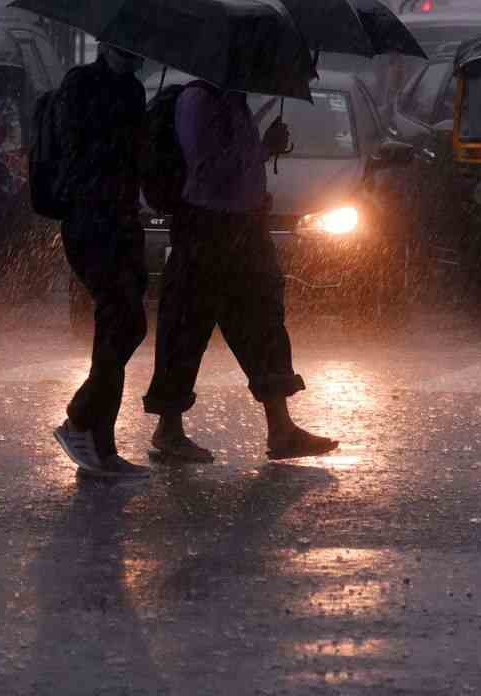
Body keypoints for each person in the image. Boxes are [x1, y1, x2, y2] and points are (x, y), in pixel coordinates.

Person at [143, 82, 338, 464]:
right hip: (208, 229)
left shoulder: (235, 101)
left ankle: (281, 429)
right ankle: (168, 429)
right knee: (186, 327)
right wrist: (262, 149)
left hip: (245, 228)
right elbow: (209, 168)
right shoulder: (198, 101)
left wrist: (265, 150)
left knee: (263, 324)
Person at [49, 44, 152, 478]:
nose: (134, 57)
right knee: (123, 319)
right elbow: (80, 149)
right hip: (90, 219)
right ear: (107, 46)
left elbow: (135, 159)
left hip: (124, 218)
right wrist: (124, 136)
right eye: (126, 49)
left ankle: (100, 444)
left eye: (137, 51)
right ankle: (79, 418)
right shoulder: (80, 83)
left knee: (121, 324)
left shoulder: (133, 89)